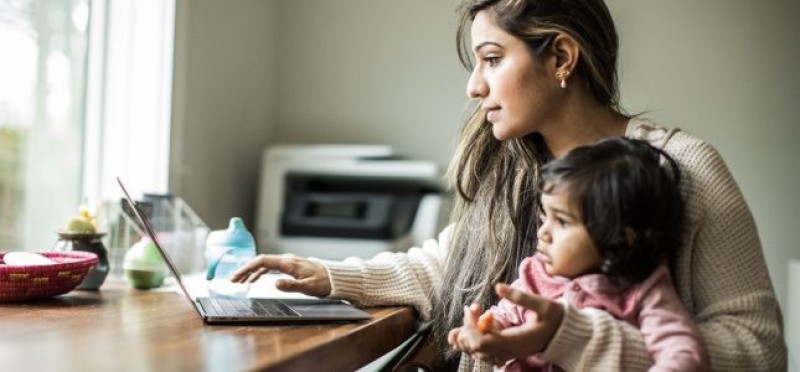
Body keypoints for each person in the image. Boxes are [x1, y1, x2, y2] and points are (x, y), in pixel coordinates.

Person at [231, 0, 787, 370]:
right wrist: (328, 276)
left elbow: (758, 350)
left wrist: (570, 338)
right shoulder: (511, 166)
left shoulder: (682, 169)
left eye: (492, 59)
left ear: (562, 57)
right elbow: (447, 268)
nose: (475, 86)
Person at [447, 137, 706, 371]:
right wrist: (488, 330)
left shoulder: (644, 291)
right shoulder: (535, 274)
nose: (543, 233)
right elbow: (505, 315)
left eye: (562, 221)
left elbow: (683, 353)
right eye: (543, 217)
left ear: (620, 239)